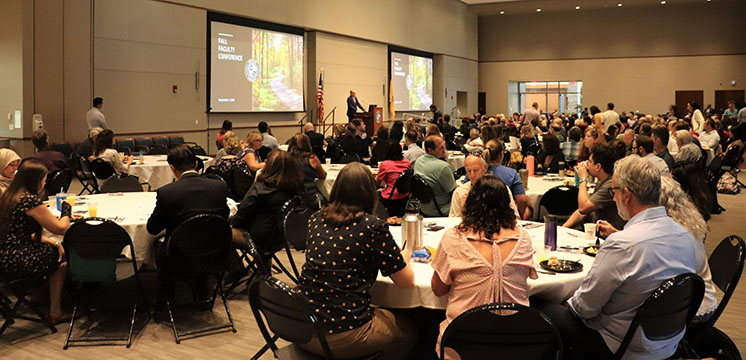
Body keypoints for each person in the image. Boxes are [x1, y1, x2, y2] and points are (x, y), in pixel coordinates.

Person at [539, 155, 697, 360]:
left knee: (540, 306)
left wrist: (561, 297)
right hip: (668, 343)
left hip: (621, 347)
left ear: (627, 195)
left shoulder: (623, 244)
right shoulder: (684, 236)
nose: (612, 198)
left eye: (613, 191)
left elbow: (583, 309)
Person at [296, 163, 416, 359]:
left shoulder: (316, 218)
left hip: (301, 325)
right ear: (370, 192)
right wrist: (405, 257)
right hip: (341, 333)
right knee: (411, 328)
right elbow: (406, 281)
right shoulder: (372, 227)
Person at [432, 175, 536, 360]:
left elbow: (438, 290)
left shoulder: (453, 238)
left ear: (470, 202)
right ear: (507, 204)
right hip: (516, 344)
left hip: (462, 345)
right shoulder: (523, 238)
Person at [596, 176, 717, 323]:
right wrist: (615, 232)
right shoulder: (684, 225)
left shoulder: (677, 234)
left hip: (690, 308)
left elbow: (652, 258)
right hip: (696, 296)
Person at [0, 160, 71, 323]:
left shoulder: (8, 196)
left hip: (5, 255)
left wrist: (54, 243)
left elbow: (29, 234)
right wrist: (67, 211)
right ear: (36, 180)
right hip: (17, 259)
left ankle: (39, 294)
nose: (44, 184)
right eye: (43, 180)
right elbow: (60, 228)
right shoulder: (28, 200)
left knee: (53, 247)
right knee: (61, 259)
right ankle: (55, 312)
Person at [147, 144, 229, 238]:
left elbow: (153, 228)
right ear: (196, 163)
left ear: (172, 168)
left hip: (180, 250)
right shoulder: (219, 186)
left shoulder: (166, 192)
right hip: (215, 246)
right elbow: (224, 217)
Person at [230, 151, 303, 254]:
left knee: (221, 232)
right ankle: (262, 267)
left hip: (256, 238)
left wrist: (231, 222)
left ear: (269, 166)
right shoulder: (296, 188)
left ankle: (236, 268)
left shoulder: (260, 188)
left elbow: (243, 214)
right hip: (281, 238)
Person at [562, 144, 626, 231]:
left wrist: (583, 179)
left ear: (598, 166)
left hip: (608, 234)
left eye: (589, 161)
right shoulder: (601, 180)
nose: (586, 164)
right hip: (596, 227)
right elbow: (583, 211)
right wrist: (563, 229)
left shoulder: (610, 185)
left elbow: (583, 208)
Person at [449, 154, 519, 218]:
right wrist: (462, 210)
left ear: (485, 168)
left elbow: (515, 218)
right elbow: (452, 221)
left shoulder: (500, 189)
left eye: (476, 170)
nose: (472, 175)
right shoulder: (460, 192)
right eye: (469, 171)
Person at [413, 136, 455, 216]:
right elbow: (453, 191)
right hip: (441, 209)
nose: (444, 149)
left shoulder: (418, 161)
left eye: (444, 146)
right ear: (430, 150)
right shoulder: (443, 167)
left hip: (423, 208)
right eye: (441, 148)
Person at [287, 133, 326, 208]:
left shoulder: (286, 159)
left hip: (290, 198)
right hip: (309, 198)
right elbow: (322, 176)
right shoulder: (312, 158)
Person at [377, 141, 411, 216]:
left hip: (390, 197)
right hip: (404, 195)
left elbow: (377, 182)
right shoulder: (407, 163)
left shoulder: (385, 164)